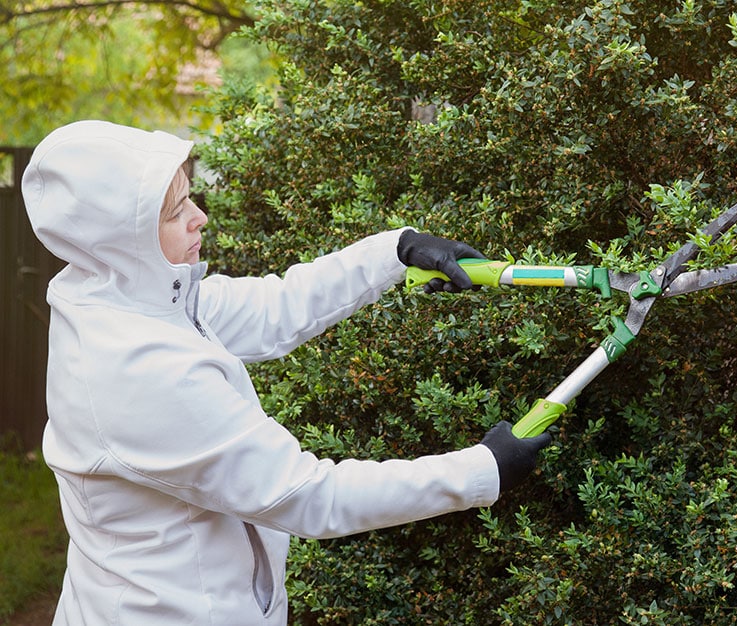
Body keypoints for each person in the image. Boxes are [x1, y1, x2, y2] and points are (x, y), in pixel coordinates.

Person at [22, 120, 552, 625]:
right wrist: (482, 471)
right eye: (173, 211)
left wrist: (396, 251)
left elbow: (279, 305)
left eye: (189, 196)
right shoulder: (136, 372)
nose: (199, 217)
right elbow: (309, 497)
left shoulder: (129, 294)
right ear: (121, 237)